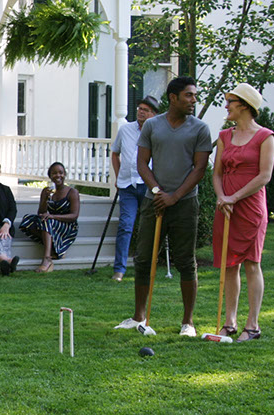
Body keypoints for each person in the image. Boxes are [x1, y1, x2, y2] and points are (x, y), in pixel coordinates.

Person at [114, 76, 212, 337]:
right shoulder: (152, 126)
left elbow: (199, 168)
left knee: (185, 261)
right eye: (189, 95)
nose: (193, 100)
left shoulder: (200, 128)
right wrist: (158, 192)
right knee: (144, 258)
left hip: (185, 203)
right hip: (153, 201)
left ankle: (188, 323)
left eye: (194, 95)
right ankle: (138, 317)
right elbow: (142, 163)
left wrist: (174, 196)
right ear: (173, 97)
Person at [212, 83, 274, 342]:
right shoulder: (224, 136)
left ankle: (253, 325)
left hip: (249, 208)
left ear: (245, 106)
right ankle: (229, 322)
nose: (225, 105)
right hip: (225, 207)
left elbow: (264, 175)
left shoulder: (265, 137)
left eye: (230, 101)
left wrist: (234, 197)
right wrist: (221, 197)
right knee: (229, 265)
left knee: (251, 263)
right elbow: (216, 173)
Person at [110, 96, 159, 282]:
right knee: (125, 226)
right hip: (127, 186)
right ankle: (119, 269)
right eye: (139, 108)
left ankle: (146, 266)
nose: (141, 111)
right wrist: (117, 175)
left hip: (147, 185)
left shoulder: (157, 132)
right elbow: (115, 153)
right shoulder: (125, 130)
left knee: (148, 227)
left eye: (145, 109)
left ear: (153, 113)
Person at [19, 162, 79, 273]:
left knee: (47, 221)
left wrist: (52, 216)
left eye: (61, 173)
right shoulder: (47, 191)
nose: (58, 175)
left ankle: (47, 260)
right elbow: (41, 212)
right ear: (50, 176)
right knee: (27, 220)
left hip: (67, 226)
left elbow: (74, 216)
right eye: (54, 173)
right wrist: (44, 199)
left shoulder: (72, 192)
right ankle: (54, 249)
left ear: (65, 174)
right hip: (50, 224)